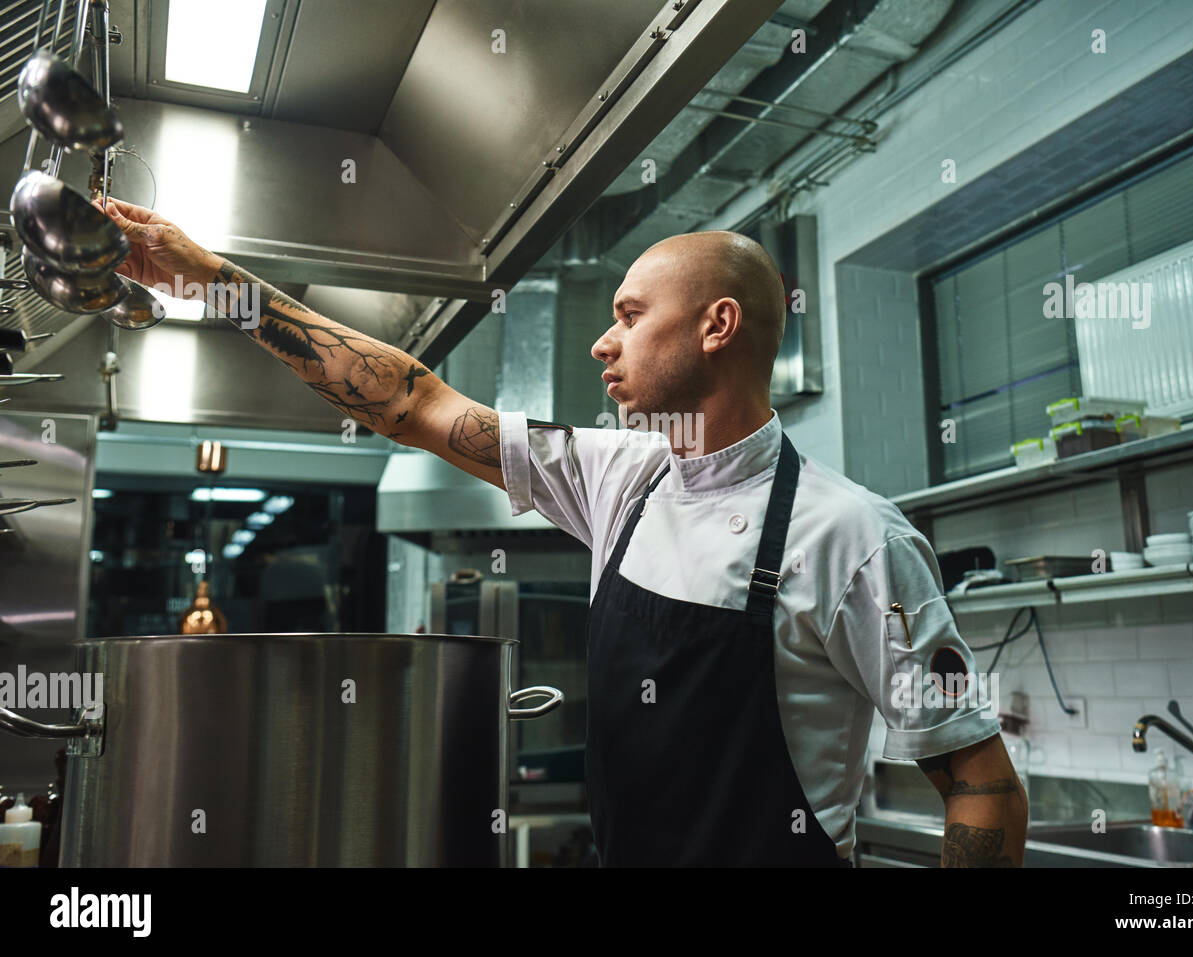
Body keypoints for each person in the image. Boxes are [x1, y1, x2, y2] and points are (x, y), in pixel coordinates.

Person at [101, 197, 1028, 867]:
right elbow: (410, 401)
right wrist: (209, 281)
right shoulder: (614, 476)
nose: (602, 342)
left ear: (717, 324)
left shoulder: (856, 538)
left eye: (630, 316)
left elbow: (982, 783)